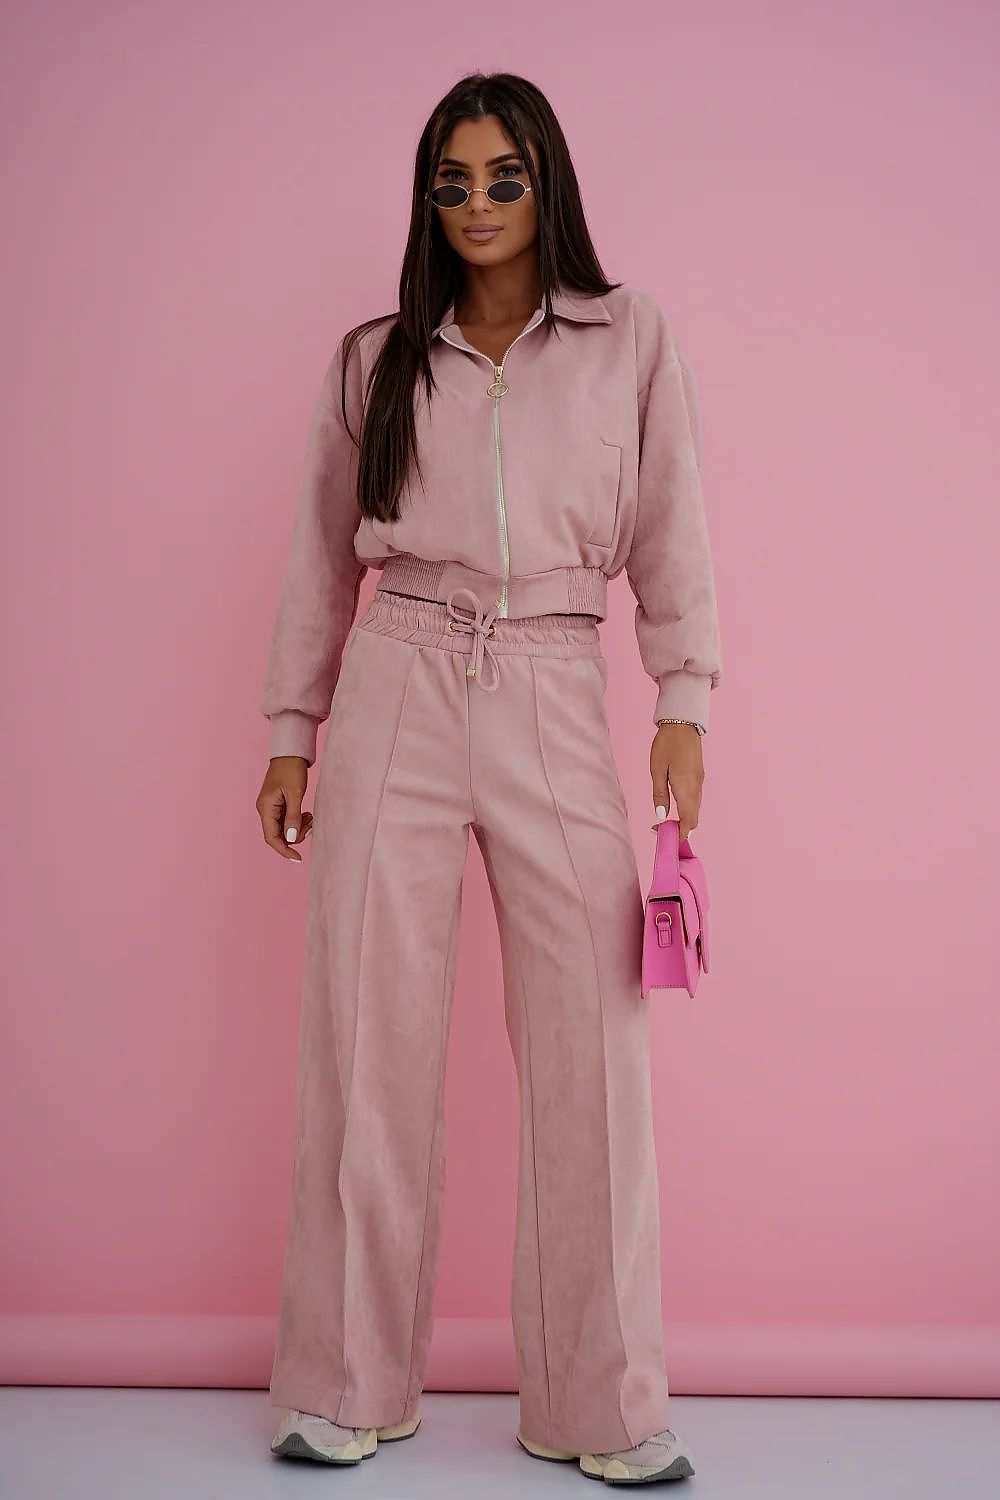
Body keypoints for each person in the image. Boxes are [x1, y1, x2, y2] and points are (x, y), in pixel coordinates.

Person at [256, 70, 722, 1486]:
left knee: (594, 1047)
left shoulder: (628, 338)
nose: (475, 204)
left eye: (501, 177)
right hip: (399, 674)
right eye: (451, 181)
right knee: (366, 1039)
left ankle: (601, 1403)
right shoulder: (374, 359)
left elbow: (673, 526)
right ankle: (347, 1382)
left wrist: (685, 701)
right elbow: (321, 555)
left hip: (554, 682)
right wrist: (292, 728)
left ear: (547, 183)